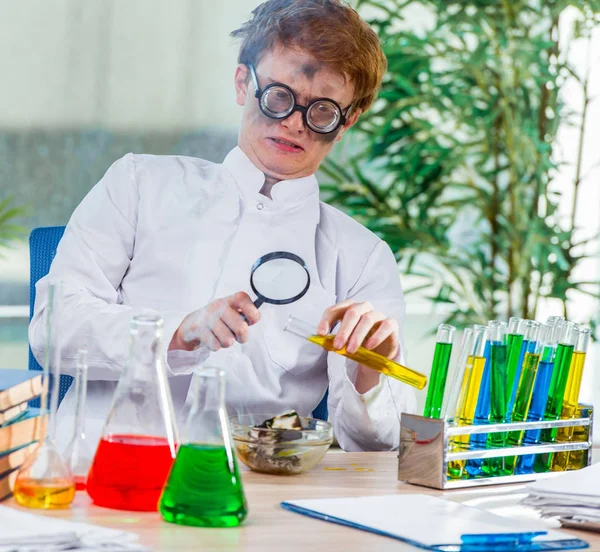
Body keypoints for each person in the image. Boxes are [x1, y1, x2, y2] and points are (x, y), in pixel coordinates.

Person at [29, 0, 417, 452]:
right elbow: (52, 333)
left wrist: (372, 370)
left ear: (346, 122)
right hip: (102, 465)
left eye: (323, 112)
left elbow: (377, 446)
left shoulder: (361, 256)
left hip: (258, 490)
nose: (294, 123)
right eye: (278, 96)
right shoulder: (138, 183)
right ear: (242, 83)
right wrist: (179, 330)